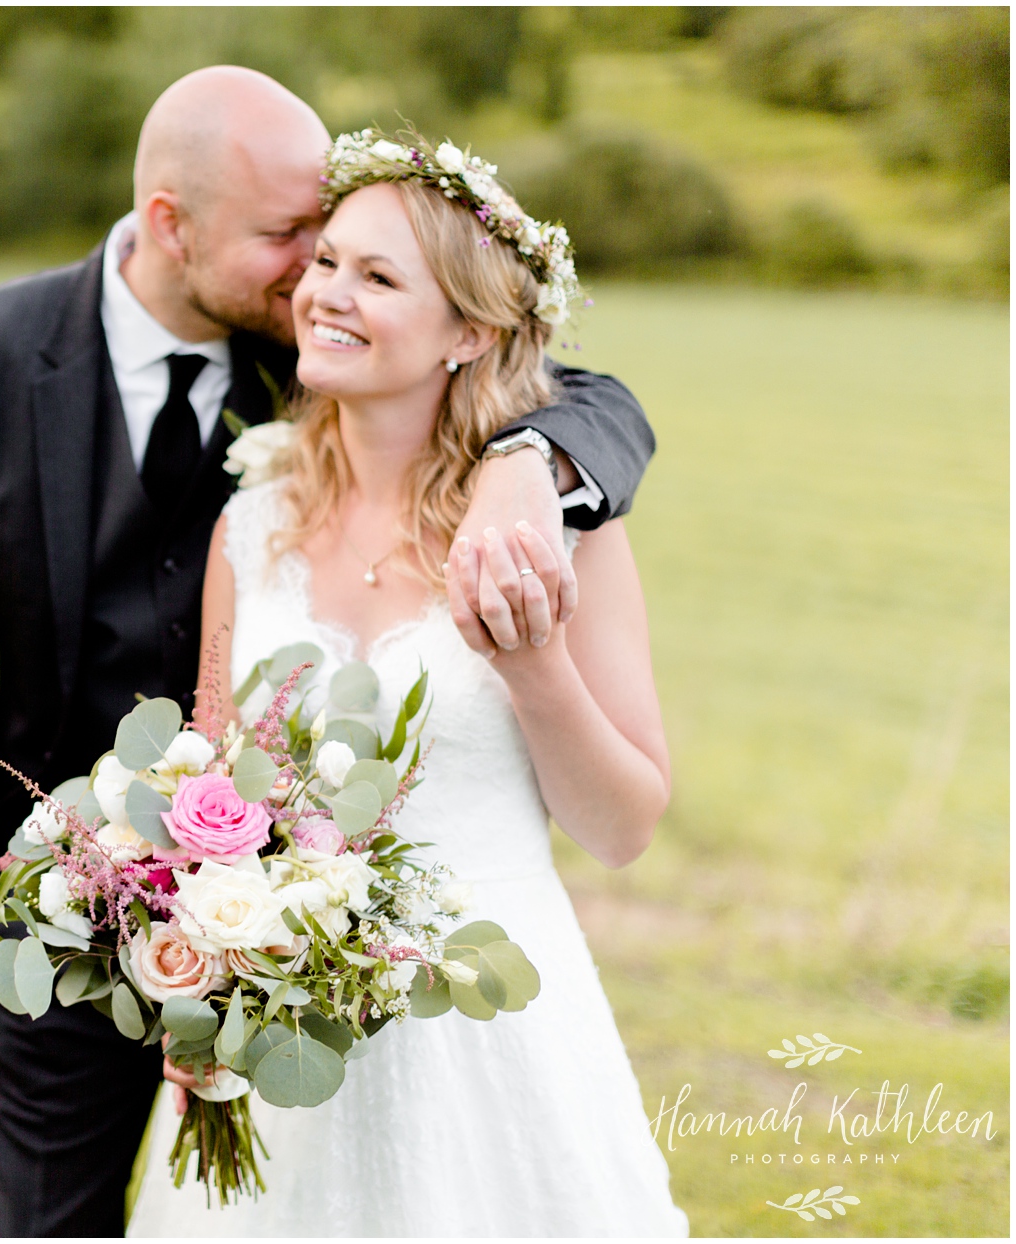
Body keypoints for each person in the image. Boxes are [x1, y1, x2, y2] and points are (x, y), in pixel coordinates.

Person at [0, 67, 659, 1237]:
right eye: (297, 241)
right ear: (170, 226)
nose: (316, 278)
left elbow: (582, 391)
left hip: (435, 1011)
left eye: (351, 255)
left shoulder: (462, 453)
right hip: (93, 927)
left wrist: (524, 477)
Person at [123, 131, 686, 1235]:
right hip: (280, 1038)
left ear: (469, 332)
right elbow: (209, 780)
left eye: (378, 277)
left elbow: (623, 826)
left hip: (490, 1033)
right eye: (326, 260)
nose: (326, 293)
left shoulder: (556, 534)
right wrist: (192, 971)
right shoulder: (254, 521)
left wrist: (532, 666)